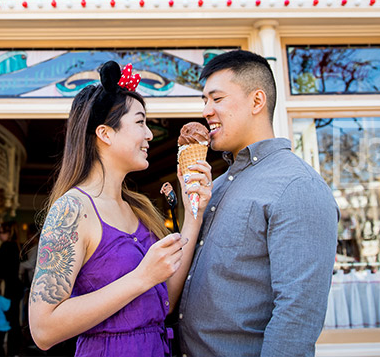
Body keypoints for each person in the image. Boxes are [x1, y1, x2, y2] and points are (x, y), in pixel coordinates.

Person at [29, 60, 212, 356]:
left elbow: (166, 300)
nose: (150, 134)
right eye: (140, 122)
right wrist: (141, 277)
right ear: (105, 134)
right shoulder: (72, 210)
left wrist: (195, 212)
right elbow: (43, 329)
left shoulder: (138, 208)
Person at [178, 49, 339, 357]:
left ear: (257, 101)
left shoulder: (298, 187)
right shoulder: (219, 185)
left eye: (217, 99)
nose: (207, 110)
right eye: (205, 101)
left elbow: (297, 316)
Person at [0, 221, 22, 354]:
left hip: (9, 288)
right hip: (14, 287)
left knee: (7, 321)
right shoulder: (16, 246)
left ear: (9, 233)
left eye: (2, 232)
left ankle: (7, 351)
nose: (0, 235)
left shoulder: (7, 246)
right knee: (13, 321)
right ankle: (13, 351)